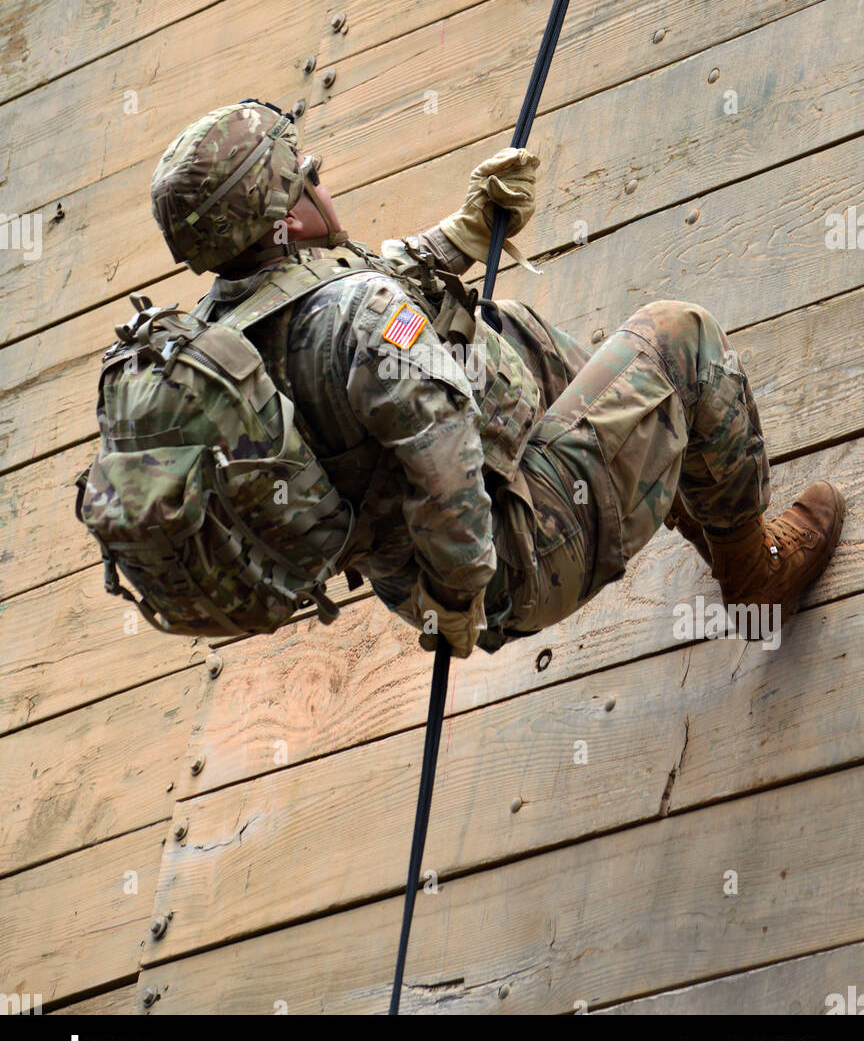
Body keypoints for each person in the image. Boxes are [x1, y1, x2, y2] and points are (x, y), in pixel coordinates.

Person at [150, 99, 845, 658]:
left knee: (496, 326)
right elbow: (444, 471)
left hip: (415, 581)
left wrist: (465, 229)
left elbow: (351, 299)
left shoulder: (224, 332)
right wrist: (461, 603)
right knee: (680, 337)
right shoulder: (362, 320)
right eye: (307, 174)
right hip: (518, 558)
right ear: (284, 214)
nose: (320, 181)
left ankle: (673, 490)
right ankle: (754, 571)